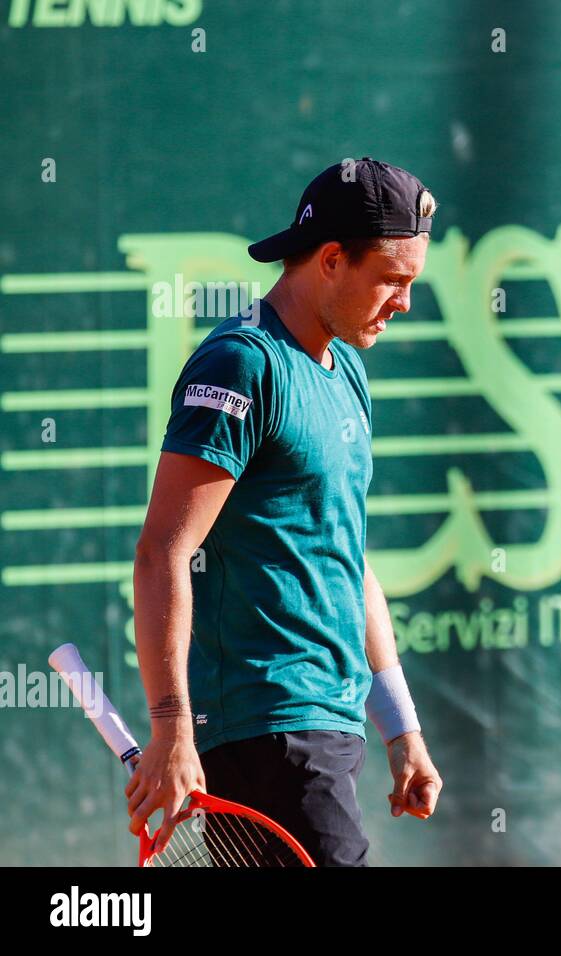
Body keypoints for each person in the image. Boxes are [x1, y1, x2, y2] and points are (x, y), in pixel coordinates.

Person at [128, 157, 443, 865]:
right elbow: (163, 553)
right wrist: (172, 728)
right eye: (394, 280)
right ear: (332, 259)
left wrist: (402, 730)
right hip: (265, 726)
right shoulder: (241, 365)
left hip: (327, 730)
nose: (405, 302)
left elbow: (347, 559)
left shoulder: (347, 367)